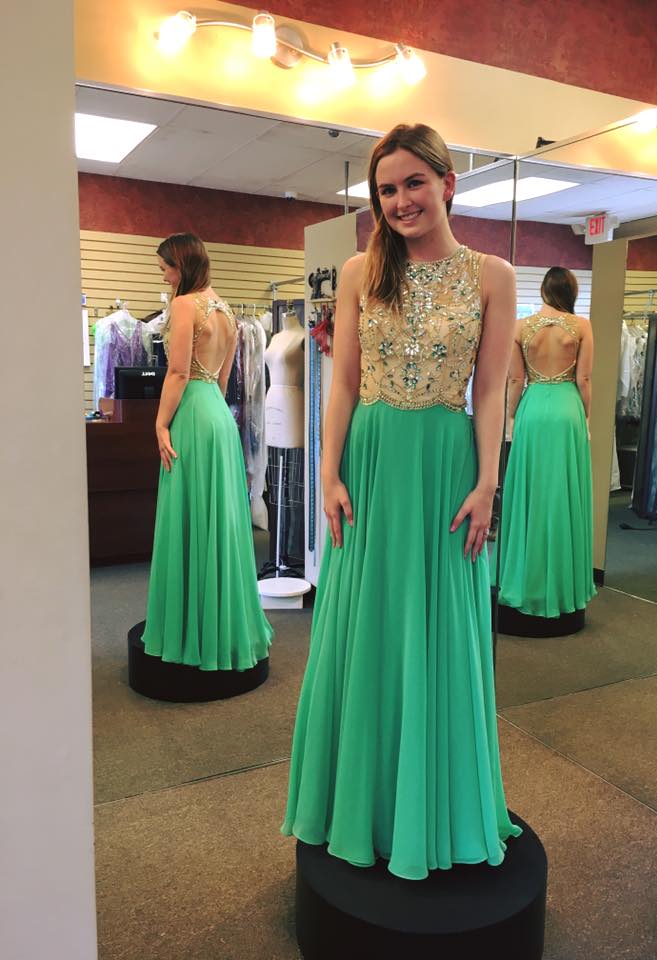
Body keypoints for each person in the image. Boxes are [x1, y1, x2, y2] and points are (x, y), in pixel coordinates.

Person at [282, 124, 521, 880]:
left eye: (413, 183)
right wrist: (329, 474)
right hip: (376, 462)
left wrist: (489, 482)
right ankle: (360, 803)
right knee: (367, 625)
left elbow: (489, 391)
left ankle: (435, 803)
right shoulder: (360, 270)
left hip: (447, 466)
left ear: (448, 183)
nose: (399, 201)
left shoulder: (493, 274)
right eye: (386, 190)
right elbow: (344, 380)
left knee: (440, 625)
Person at [142, 233, 272, 670]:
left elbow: (178, 372)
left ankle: (190, 629)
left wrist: (161, 422)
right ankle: (221, 623)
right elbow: (223, 378)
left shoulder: (184, 305)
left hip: (194, 414)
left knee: (191, 514)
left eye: (166, 268)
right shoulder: (226, 310)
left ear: (182, 266)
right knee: (218, 517)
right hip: (218, 416)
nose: (164, 276)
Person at [496, 266, 596, 618]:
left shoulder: (521, 328)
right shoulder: (581, 326)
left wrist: (511, 417)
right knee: (563, 492)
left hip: (533, 407)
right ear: (570, 291)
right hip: (567, 408)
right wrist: (585, 415)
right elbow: (584, 378)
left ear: (542, 290)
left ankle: (525, 579)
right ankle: (563, 583)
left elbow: (514, 380)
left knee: (530, 493)